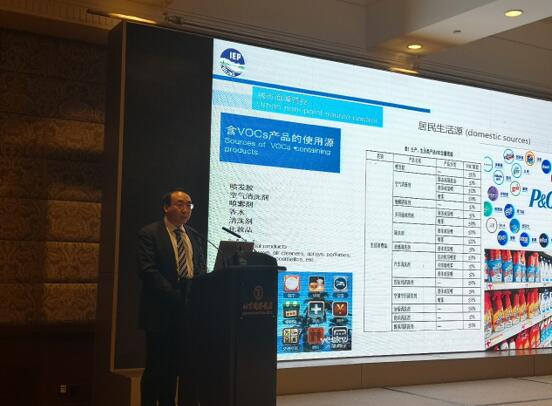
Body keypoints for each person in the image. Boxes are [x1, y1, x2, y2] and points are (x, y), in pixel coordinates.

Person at [137, 188, 206, 406]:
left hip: (186, 313)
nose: (185, 209)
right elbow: (147, 271)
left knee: (174, 366)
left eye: (189, 205)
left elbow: (199, 268)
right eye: (180, 204)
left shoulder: (193, 235)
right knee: (156, 365)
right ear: (166, 207)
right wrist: (175, 295)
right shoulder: (149, 234)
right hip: (160, 311)